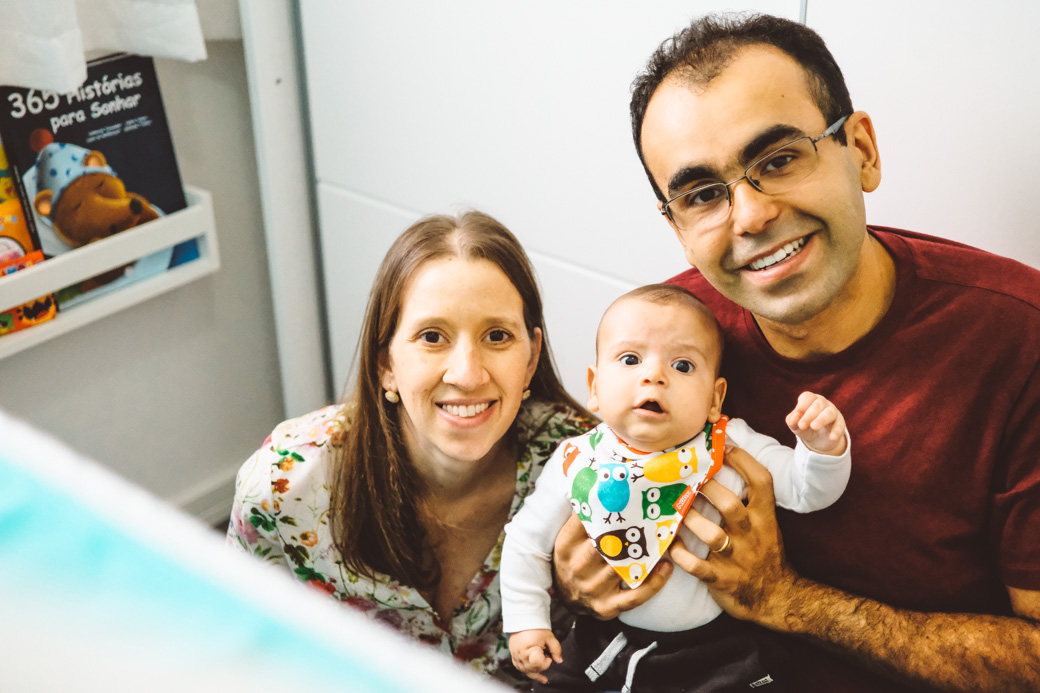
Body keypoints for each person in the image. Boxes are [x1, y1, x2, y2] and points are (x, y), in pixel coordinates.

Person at [551, 12, 1040, 692]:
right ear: (677, 226)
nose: (748, 216)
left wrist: (791, 599)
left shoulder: (1019, 339)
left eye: (778, 160)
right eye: (701, 195)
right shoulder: (671, 338)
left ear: (861, 150)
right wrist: (573, 578)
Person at [227, 211, 595, 688]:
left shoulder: (595, 473)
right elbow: (238, 655)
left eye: (497, 336)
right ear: (386, 364)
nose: (467, 374)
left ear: (530, 359)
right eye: (432, 337)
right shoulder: (282, 488)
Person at [501, 284, 850, 691]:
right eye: (630, 359)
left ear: (715, 398)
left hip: (716, 648)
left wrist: (821, 448)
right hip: (605, 637)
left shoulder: (729, 443)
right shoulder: (576, 459)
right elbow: (526, 542)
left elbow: (807, 492)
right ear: (594, 387)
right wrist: (526, 623)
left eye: (682, 366)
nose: (654, 376)